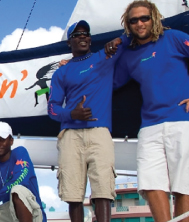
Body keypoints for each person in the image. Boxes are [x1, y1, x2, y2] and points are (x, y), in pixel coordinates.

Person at [108, 1, 189, 221]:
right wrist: (71, 66)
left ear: (154, 18)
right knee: (150, 183)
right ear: (128, 25)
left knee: (182, 185)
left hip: (183, 120)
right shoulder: (129, 55)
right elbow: (109, 83)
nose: (140, 23)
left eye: (144, 18)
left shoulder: (174, 38)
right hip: (149, 126)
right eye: (134, 20)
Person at [47, 20, 126, 222]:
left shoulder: (105, 57)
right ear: (69, 43)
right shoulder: (61, 72)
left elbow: (135, 36)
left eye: (85, 34)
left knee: (103, 191)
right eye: (76, 35)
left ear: (90, 39)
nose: (82, 36)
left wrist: (119, 39)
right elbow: (52, 107)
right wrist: (71, 114)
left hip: (99, 131)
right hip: (70, 135)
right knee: (73, 194)